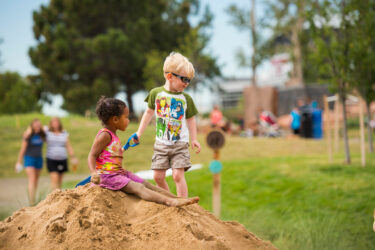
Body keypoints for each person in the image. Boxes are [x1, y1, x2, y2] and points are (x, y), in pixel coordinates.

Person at [88, 96, 199, 207]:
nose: (128, 120)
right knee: (138, 188)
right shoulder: (104, 135)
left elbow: (109, 155)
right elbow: (92, 155)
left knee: (145, 183)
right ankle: (169, 202)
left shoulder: (112, 135)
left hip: (118, 172)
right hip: (108, 177)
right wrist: (93, 173)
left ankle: (177, 198)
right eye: (126, 117)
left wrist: (124, 148)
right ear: (115, 119)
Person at [134, 51, 201, 198]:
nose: (186, 83)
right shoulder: (156, 93)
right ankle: (170, 200)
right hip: (161, 144)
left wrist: (194, 139)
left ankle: (183, 204)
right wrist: (139, 133)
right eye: (184, 79)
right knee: (158, 177)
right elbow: (148, 113)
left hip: (180, 144)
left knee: (177, 175)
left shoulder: (186, 98)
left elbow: (191, 119)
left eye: (189, 80)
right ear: (169, 76)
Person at [16, 119, 46, 205]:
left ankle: (34, 198)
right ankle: (31, 202)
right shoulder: (28, 135)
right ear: (32, 126)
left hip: (39, 159)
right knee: (32, 179)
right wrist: (19, 161)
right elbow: (23, 149)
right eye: (36, 125)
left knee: (36, 180)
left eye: (39, 125)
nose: (37, 127)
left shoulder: (41, 135)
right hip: (29, 159)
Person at [45, 117, 78, 190]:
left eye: (57, 122)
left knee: (60, 181)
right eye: (53, 122)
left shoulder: (64, 133)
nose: (55, 124)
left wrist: (73, 156)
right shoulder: (47, 132)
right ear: (51, 124)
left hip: (62, 159)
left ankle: (58, 196)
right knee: (54, 179)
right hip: (51, 159)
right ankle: (53, 195)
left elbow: (68, 145)